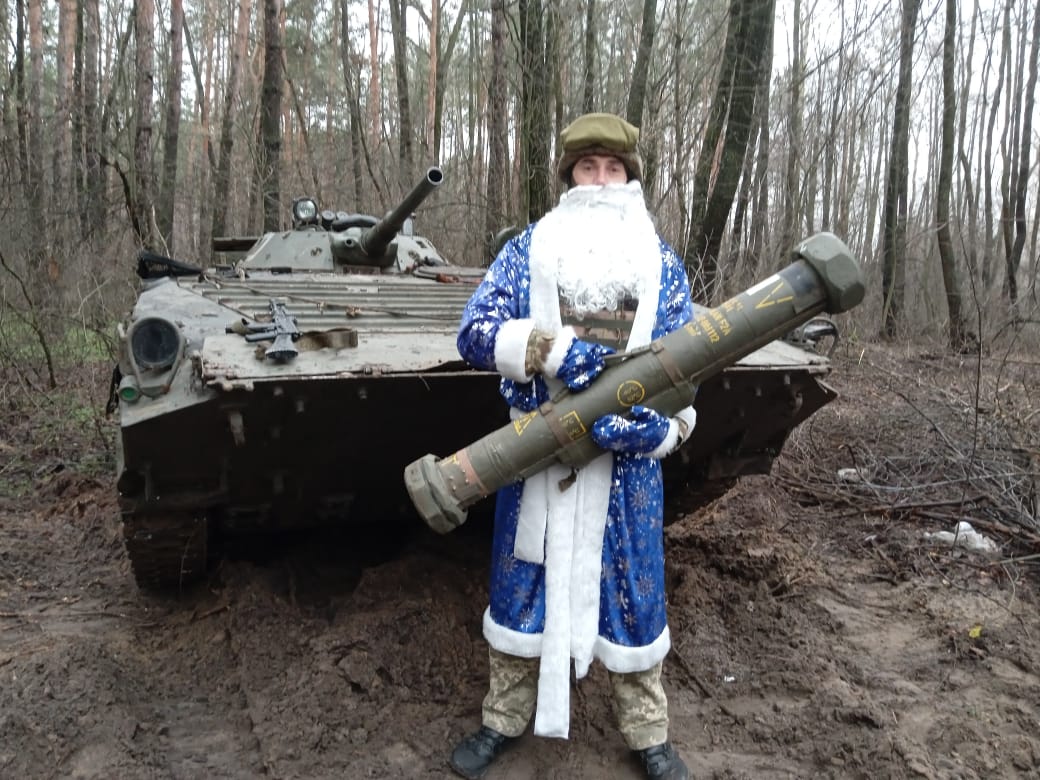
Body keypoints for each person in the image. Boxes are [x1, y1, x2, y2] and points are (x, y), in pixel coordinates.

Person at [450, 112, 696, 780]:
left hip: (628, 470)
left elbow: (688, 366)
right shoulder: (530, 249)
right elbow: (474, 330)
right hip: (539, 453)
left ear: (630, 180)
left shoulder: (660, 264)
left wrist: (658, 429)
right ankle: (503, 717)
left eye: (613, 169)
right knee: (519, 587)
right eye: (588, 168)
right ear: (569, 178)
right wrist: (549, 350)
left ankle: (648, 732)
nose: (601, 181)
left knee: (635, 592)